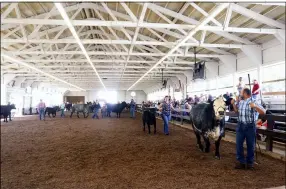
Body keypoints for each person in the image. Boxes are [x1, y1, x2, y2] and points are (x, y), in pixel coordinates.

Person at [231, 88, 266, 170]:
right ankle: (241, 162)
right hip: (240, 126)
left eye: (241, 93)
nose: (240, 94)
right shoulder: (241, 102)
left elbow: (263, 112)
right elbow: (237, 111)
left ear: (245, 93)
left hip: (250, 126)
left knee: (250, 145)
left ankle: (250, 163)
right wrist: (233, 104)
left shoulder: (254, 101)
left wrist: (255, 106)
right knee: (239, 144)